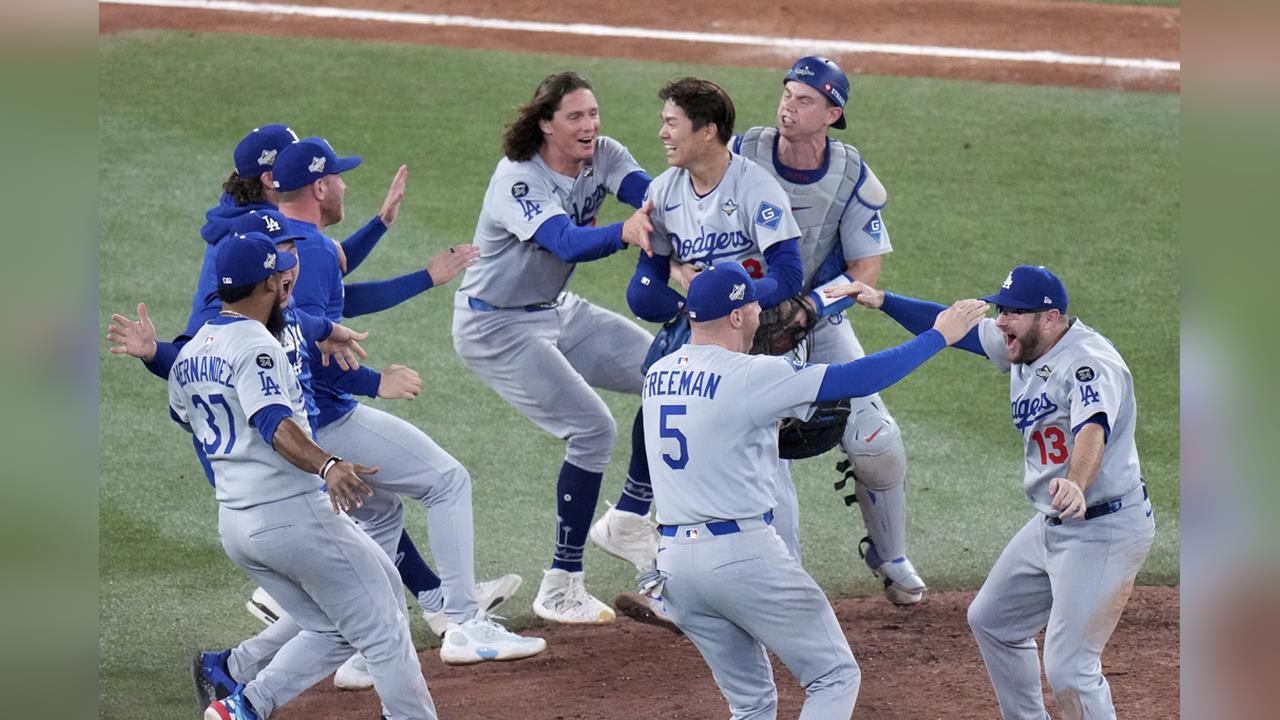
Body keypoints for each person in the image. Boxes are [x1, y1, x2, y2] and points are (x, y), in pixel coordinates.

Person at [642, 262, 986, 719]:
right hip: (742, 557)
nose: (761, 316)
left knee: (751, 705)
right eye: (754, 307)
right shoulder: (752, 375)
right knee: (833, 677)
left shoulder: (657, 375)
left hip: (675, 566)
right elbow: (858, 379)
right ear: (737, 317)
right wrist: (939, 334)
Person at [831, 265, 1156, 719]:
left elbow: (1092, 428)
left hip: (1104, 526)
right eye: (1000, 310)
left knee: (1069, 670)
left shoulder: (1089, 364)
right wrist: (883, 300)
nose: (1000, 322)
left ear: (1050, 317)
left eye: (1012, 313)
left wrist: (1076, 483)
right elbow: (954, 329)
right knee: (993, 621)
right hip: (1054, 524)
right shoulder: (1024, 345)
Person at [269, 136, 545, 659]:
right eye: (340, 176)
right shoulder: (312, 250)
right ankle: (465, 624)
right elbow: (302, 344)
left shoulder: (283, 243)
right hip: (318, 419)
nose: (346, 184)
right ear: (320, 186)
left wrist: (420, 270)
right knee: (446, 481)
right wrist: (377, 383)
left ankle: (375, 648)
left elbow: (338, 299)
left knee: (379, 513)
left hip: (293, 422)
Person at [170, 233, 435, 720]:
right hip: (293, 516)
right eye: (281, 275)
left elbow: (186, 418)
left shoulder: (191, 352)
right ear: (270, 282)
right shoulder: (256, 345)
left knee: (345, 618)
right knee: (382, 630)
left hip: (237, 523)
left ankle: (245, 705)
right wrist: (329, 465)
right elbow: (274, 423)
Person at [450, 71, 658, 624]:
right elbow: (565, 240)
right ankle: (561, 583)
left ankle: (630, 517)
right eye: (575, 117)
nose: (590, 125)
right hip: (495, 328)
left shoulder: (605, 154)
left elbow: (653, 197)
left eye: (593, 114)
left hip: (554, 311)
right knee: (593, 430)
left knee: (667, 372)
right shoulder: (516, 181)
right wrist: (626, 232)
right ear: (545, 124)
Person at [732, 55, 924, 604]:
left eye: (805, 100)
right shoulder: (742, 154)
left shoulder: (850, 173)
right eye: (787, 95)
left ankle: (890, 556)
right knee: (760, 448)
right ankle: (778, 577)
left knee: (878, 442)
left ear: (832, 113)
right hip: (745, 326)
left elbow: (865, 271)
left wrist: (811, 308)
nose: (789, 107)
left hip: (820, 319)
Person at [610, 76, 806, 561]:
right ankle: (646, 525)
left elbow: (790, 273)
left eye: (672, 123)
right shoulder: (663, 190)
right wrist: (691, 307)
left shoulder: (754, 187)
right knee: (662, 383)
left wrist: (733, 298)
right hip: (707, 335)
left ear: (708, 131)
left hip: (759, 335)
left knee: (762, 465)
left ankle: (783, 574)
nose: (662, 134)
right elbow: (643, 288)